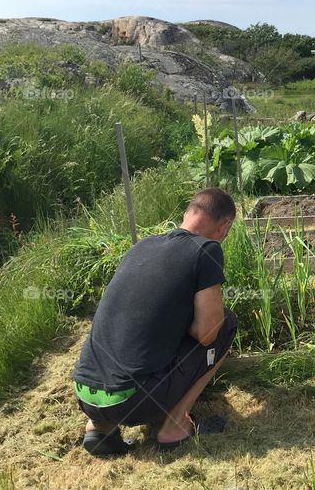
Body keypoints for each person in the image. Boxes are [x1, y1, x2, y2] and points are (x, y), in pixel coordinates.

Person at [71, 188, 238, 456]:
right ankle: (175, 425)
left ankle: (99, 429)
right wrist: (186, 326)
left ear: (187, 213)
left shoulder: (142, 246)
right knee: (225, 323)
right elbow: (208, 333)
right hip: (133, 401)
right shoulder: (207, 250)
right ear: (223, 227)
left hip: (84, 393)